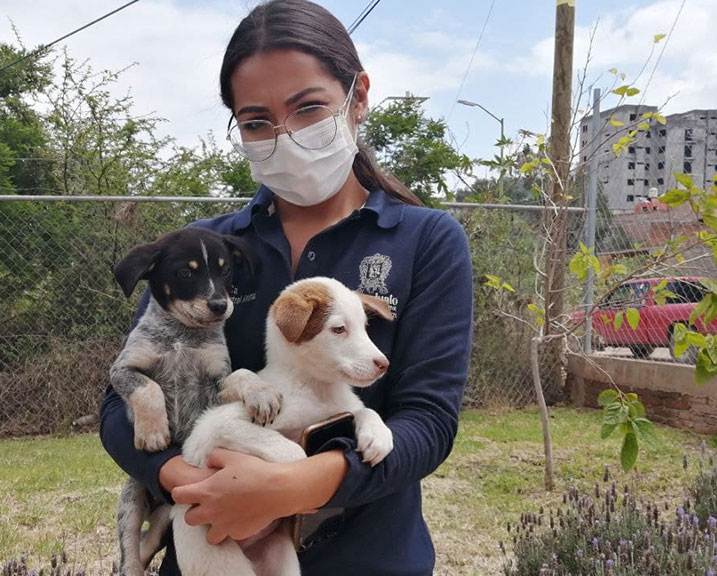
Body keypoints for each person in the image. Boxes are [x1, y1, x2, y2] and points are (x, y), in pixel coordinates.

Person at [99, 1, 473, 574]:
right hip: (216, 544)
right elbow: (118, 403)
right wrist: (188, 480)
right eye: (256, 122)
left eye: (308, 109)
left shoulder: (426, 239)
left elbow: (427, 422)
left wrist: (291, 488)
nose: (285, 135)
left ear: (359, 96)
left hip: (372, 557)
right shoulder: (210, 251)